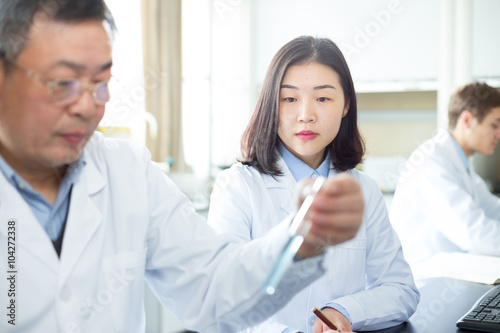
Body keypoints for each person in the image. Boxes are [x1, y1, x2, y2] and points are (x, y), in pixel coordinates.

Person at [0, 2, 366, 333]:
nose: (87, 106)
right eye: (63, 82)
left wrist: (302, 239)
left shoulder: (126, 170)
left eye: (100, 83)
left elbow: (212, 289)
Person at [207, 36, 419, 333]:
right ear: (272, 105)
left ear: (346, 105)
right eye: (289, 99)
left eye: (323, 98)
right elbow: (223, 300)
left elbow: (400, 289)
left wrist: (343, 311)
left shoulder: (365, 190)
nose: (306, 114)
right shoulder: (238, 187)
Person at [390, 82, 500, 266]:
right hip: (421, 277)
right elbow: (472, 231)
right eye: (494, 125)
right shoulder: (431, 160)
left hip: (444, 272)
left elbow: (492, 208)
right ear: (467, 120)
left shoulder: (460, 162)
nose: (498, 134)